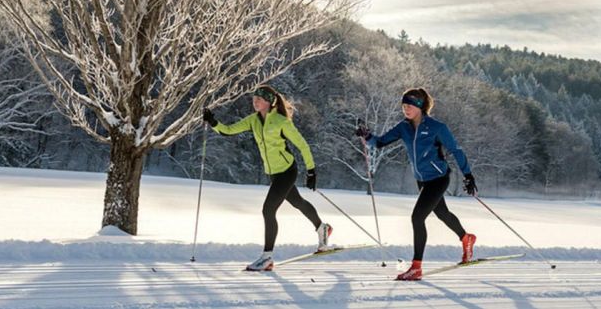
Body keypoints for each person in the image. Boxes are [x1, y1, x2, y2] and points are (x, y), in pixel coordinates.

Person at [203, 85, 332, 271]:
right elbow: (229, 130)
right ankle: (323, 229)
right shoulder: (253, 120)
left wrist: (311, 171)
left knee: (268, 210)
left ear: (269, 102)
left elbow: (302, 145)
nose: (255, 101)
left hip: (287, 170)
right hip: (273, 173)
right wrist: (213, 122)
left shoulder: (281, 122)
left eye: (259, 99)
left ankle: (267, 257)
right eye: (254, 98)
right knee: (298, 202)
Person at [356, 88, 478, 281]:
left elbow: (456, 149)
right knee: (442, 214)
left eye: (410, 105)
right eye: (404, 105)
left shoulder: (437, 127)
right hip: (422, 180)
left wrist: (468, 175)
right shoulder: (403, 127)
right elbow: (380, 143)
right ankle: (466, 238)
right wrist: (367, 136)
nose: (406, 109)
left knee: (417, 218)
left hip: (438, 178)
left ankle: (416, 267)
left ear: (420, 106)